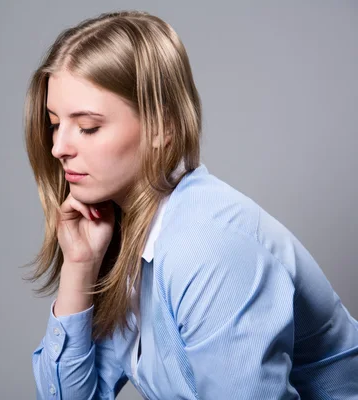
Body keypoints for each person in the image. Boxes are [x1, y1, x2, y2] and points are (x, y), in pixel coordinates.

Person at [22, 10, 358, 399]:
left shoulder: (206, 247)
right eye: (54, 123)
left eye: (88, 127)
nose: (59, 148)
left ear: (162, 126)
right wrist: (78, 270)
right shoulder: (133, 237)